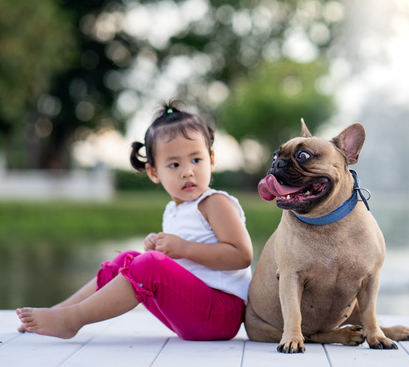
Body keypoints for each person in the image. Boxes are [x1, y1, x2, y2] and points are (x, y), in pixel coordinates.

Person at [16, 101, 253, 341]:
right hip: (193, 312)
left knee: (149, 264)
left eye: (196, 160)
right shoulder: (173, 209)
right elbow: (185, 268)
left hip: (222, 313)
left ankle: (71, 320)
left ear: (211, 160)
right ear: (154, 173)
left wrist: (183, 248)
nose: (187, 171)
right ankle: (60, 311)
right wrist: (164, 250)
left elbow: (242, 255)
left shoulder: (215, 203)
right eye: (174, 164)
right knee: (127, 259)